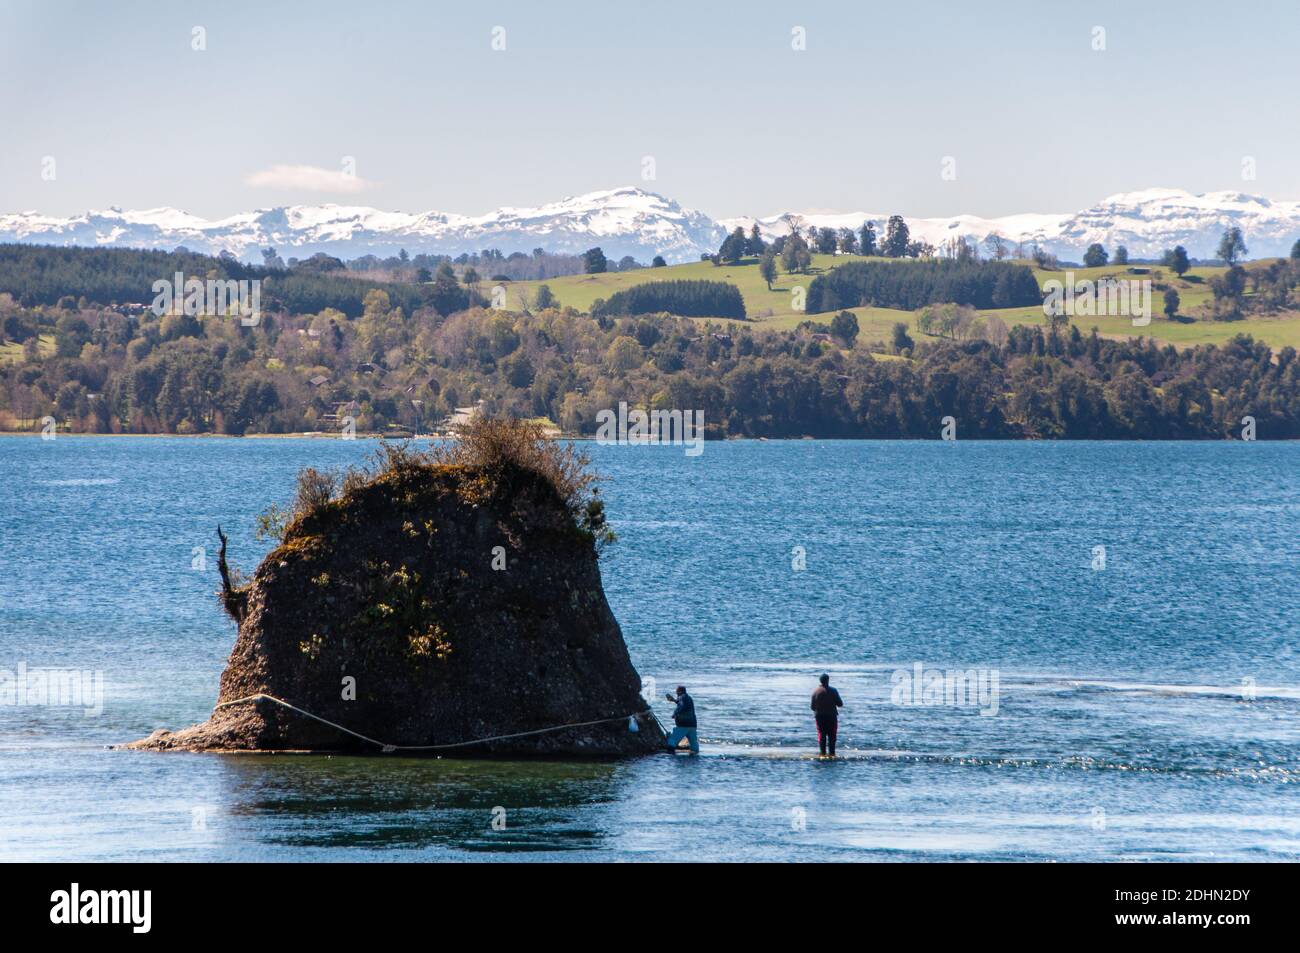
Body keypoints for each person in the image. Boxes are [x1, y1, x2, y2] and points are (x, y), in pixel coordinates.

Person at [810, 673, 844, 757]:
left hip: (819, 717)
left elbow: (812, 707)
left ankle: (822, 754)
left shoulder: (815, 692)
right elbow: (840, 704)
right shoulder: (833, 690)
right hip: (831, 716)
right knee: (832, 736)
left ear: (820, 681)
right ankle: (832, 754)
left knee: (822, 735)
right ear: (828, 680)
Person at [663, 685, 699, 753]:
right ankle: (695, 758)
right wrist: (674, 700)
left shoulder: (681, 697)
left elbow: (682, 706)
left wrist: (675, 713)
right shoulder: (688, 698)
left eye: (677, 691)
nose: (676, 693)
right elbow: (683, 704)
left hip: (683, 725)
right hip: (692, 725)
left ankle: (670, 755)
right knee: (694, 745)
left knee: (672, 741)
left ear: (680, 691)